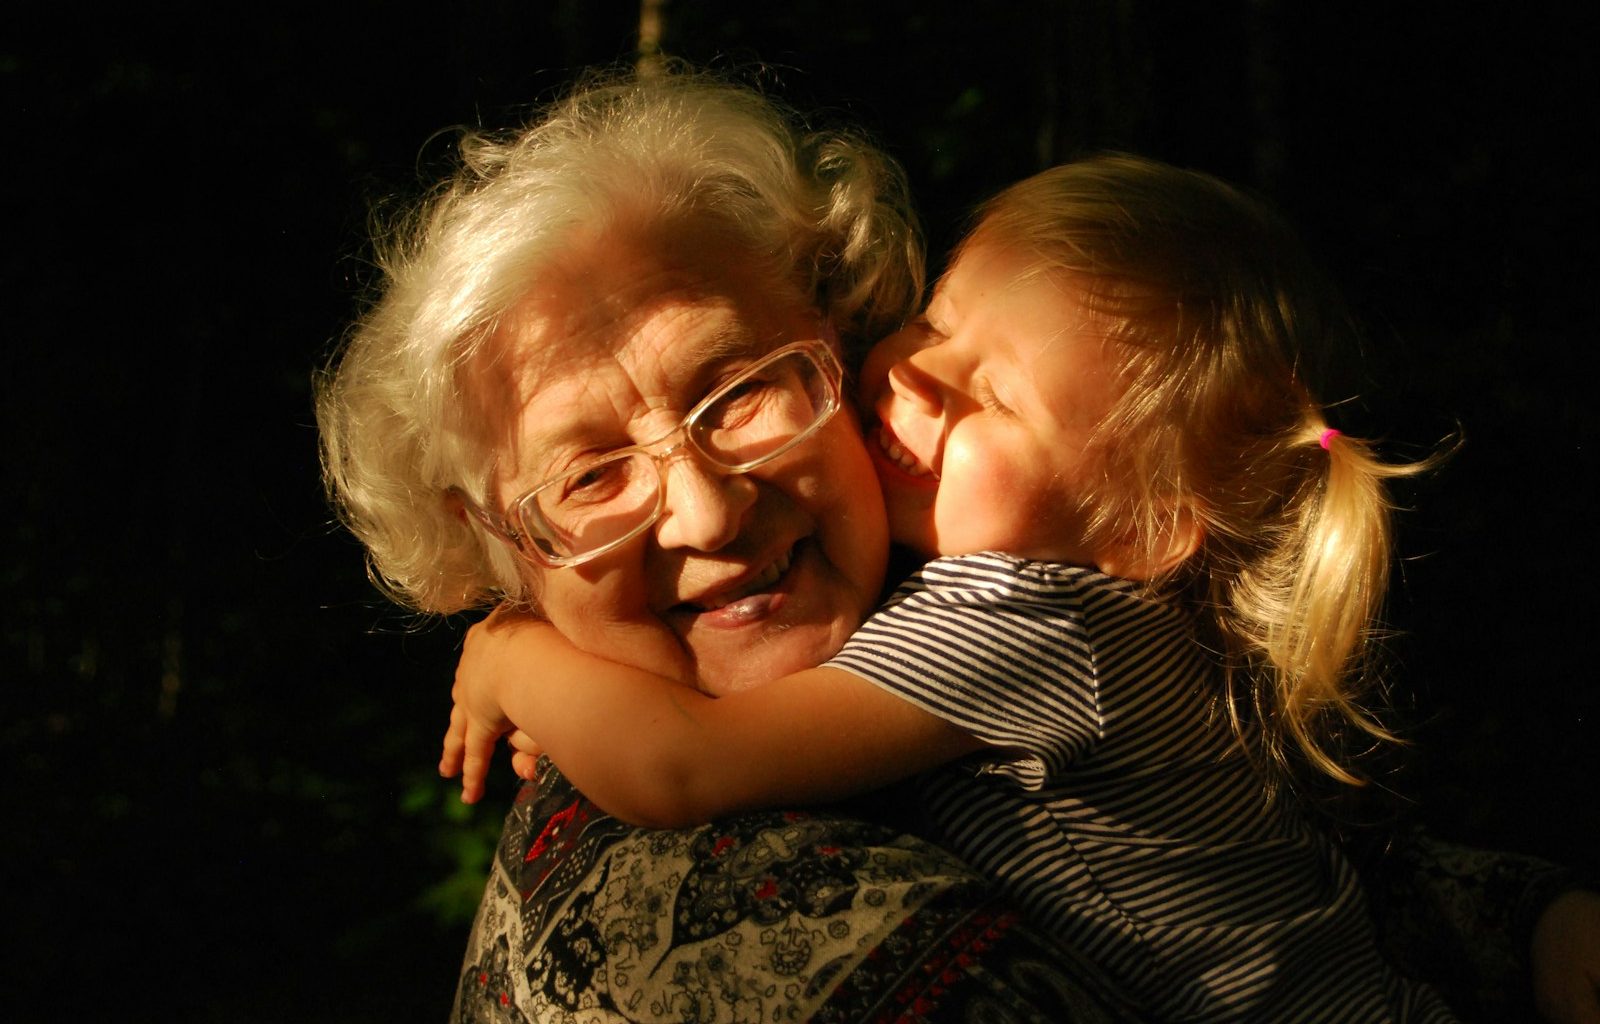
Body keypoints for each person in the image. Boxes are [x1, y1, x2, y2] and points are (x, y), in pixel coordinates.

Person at [317, 64, 1598, 1023]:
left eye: (743, 390)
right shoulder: (654, 925)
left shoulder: (1008, 608)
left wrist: (510, 654)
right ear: (493, 542)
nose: (707, 513)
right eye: (590, 473)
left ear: (831, 335)